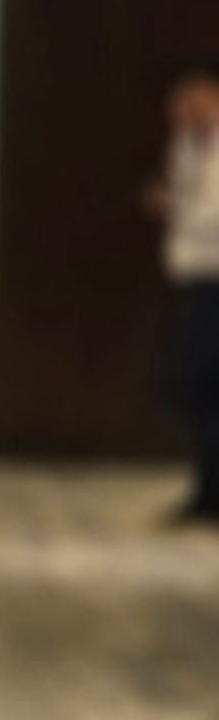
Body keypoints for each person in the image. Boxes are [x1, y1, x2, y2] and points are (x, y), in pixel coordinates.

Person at [154, 67, 219, 523]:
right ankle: (207, 488)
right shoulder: (189, 146)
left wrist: (176, 203)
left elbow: (208, 212)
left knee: (193, 380)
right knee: (191, 386)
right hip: (194, 278)